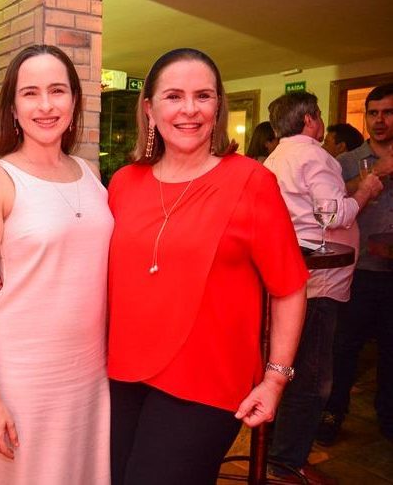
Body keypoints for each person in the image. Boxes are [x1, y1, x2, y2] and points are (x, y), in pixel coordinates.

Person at [107, 48, 309, 485]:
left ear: (218, 106)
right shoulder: (124, 183)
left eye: (203, 96)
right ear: (149, 109)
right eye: (174, 96)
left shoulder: (251, 181)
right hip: (121, 371)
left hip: (208, 380)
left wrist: (275, 379)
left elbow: (289, 286)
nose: (190, 109)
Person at [0, 45, 112, 485]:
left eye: (57, 90)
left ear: (75, 100)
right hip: (20, 378)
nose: (46, 105)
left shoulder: (90, 174)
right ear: (12, 107)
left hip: (88, 374)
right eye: (30, 93)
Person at [264, 91, 381, 484]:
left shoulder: (277, 157)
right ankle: (287, 462)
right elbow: (334, 215)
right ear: (309, 119)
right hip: (319, 280)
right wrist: (365, 191)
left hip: (293, 275)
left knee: (289, 368)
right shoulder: (313, 155)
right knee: (313, 379)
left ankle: (276, 450)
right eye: (317, 116)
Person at [318, 83, 393, 445]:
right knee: (343, 349)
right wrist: (376, 173)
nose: (379, 120)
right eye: (373, 113)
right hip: (356, 274)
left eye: (388, 113)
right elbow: (327, 207)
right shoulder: (346, 162)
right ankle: (332, 414)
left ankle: (388, 417)